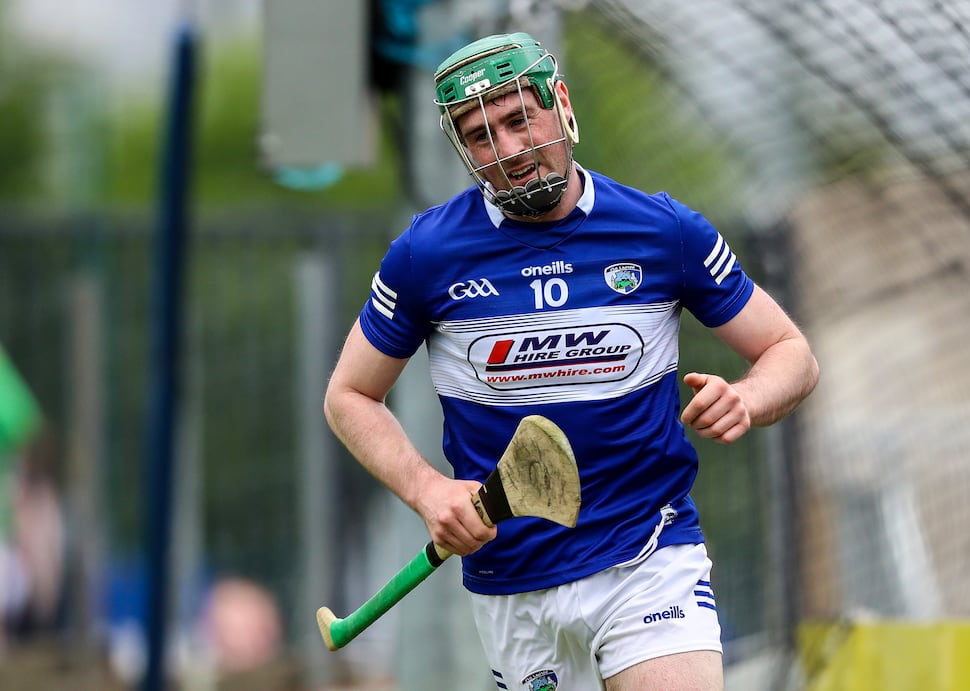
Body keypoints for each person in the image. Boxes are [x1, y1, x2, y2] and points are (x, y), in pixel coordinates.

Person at [324, 32, 819, 690]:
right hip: (515, 582)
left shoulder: (662, 231)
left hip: (648, 556)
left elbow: (791, 353)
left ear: (559, 103)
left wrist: (748, 398)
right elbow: (349, 395)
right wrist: (427, 489)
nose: (507, 151)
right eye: (479, 135)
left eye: (517, 118)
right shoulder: (426, 254)